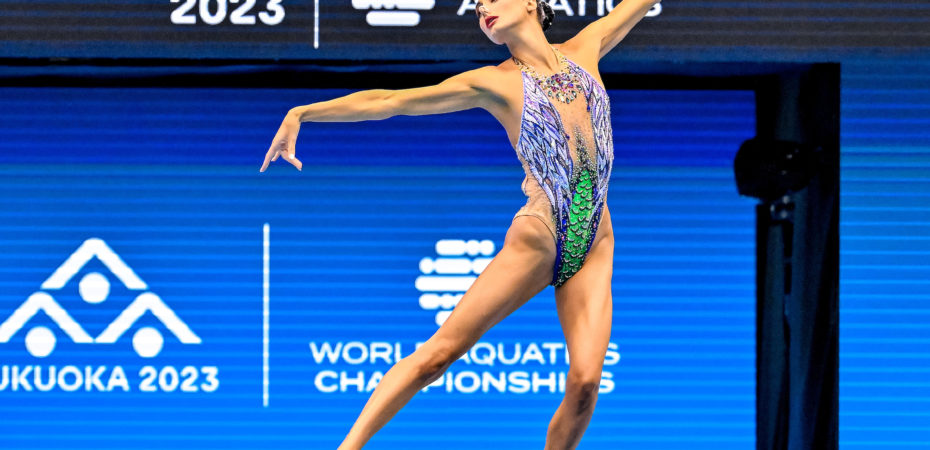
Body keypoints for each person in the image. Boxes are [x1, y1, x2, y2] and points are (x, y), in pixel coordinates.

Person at [260, 0, 660, 447]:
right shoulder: (494, 83)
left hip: (594, 243)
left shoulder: (587, 47)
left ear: (531, 3)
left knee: (585, 385)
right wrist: (304, 112)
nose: (482, 7)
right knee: (439, 355)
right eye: (476, 7)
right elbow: (391, 102)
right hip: (540, 238)